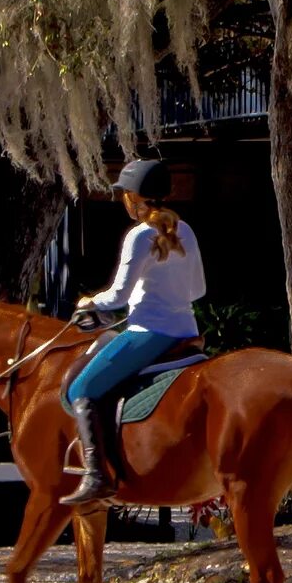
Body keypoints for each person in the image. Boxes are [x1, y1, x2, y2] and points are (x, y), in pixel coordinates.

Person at [63, 156, 206, 509]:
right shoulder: (184, 230)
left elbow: (118, 296)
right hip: (186, 332)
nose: (124, 200)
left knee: (82, 387)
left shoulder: (139, 235)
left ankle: (96, 477)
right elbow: (197, 290)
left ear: (134, 197)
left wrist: (89, 302)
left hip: (148, 333)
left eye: (125, 194)